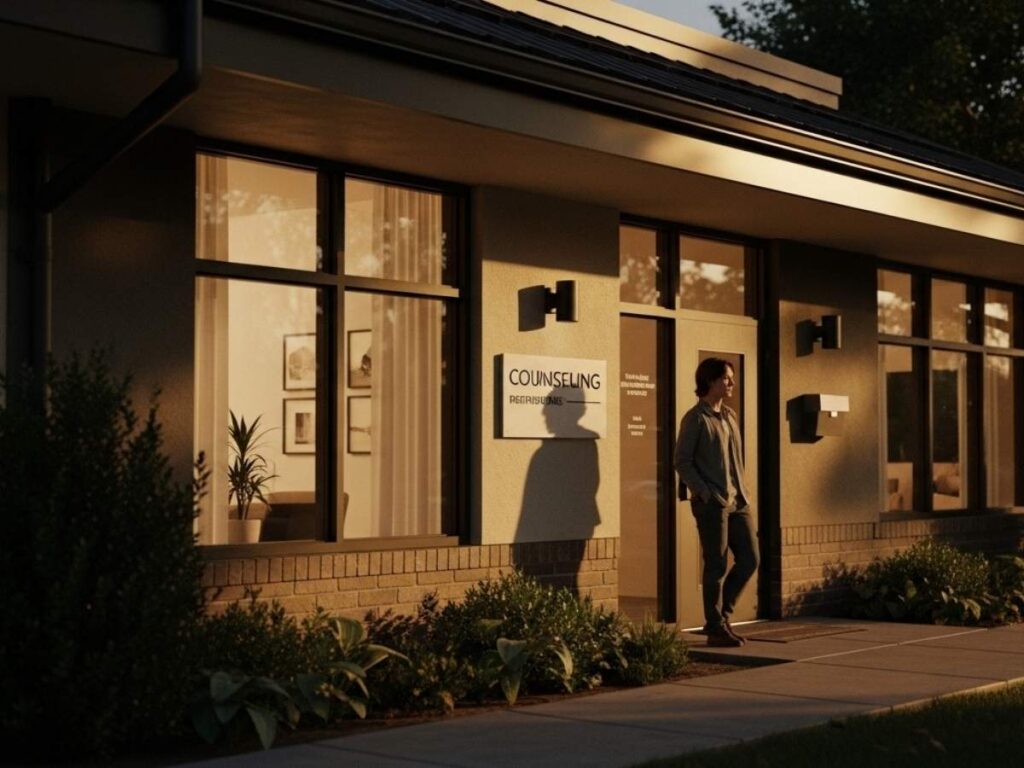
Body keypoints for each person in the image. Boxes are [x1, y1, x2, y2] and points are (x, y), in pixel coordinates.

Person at [674, 358, 759, 647]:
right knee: (717, 564)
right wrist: (705, 492)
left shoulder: (730, 416)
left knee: (750, 559)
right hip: (713, 502)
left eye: (731, 378)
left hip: (739, 501)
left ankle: (723, 617)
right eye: (726, 378)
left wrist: (742, 491)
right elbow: (682, 461)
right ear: (710, 381)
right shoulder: (695, 418)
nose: (731, 383)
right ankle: (714, 627)